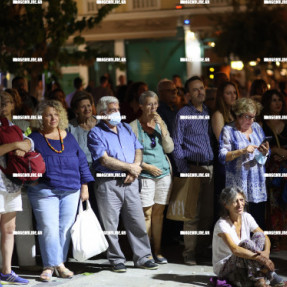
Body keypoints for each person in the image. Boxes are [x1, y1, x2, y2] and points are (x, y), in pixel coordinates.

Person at [87, 96, 158, 272]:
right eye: (112, 110)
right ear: (102, 113)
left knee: (137, 221)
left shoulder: (125, 127)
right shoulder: (96, 133)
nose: (117, 113)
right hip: (108, 182)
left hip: (131, 181)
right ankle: (116, 259)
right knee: (110, 224)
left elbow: (138, 149)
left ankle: (143, 257)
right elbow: (104, 160)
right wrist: (130, 168)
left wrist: (134, 169)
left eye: (118, 109)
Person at [27, 100, 94, 282]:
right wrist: (30, 180)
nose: (53, 118)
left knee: (64, 229)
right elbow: (24, 161)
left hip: (71, 189)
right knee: (49, 228)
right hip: (44, 191)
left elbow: (81, 162)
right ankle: (51, 266)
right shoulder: (33, 138)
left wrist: (85, 185)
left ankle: (58, 264)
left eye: (56, 114)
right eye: (48, 114)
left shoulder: (68, 137)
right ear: (40, 118)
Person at [173, 76, 214, 265]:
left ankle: (201, 249)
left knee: (207, 214)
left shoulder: (208, 112)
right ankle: (189, 253)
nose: (200, 92)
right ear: (188, 94)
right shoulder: (183, 113)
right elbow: (176, 143)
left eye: (202, 88)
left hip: (210, 168)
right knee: (192, 215)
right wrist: (184, 169)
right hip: (193, 167)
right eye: (195, 90)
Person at [130, 91, 174, 264]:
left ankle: (158, 250)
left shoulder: (159, 123)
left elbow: (169, 148)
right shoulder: (133, 126)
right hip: (146, 174)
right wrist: (145, 166)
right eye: (149, 104)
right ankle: (145, 252)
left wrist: (162, 127)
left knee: (159, 214)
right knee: (146, 213)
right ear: (141, 106)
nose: (153, 107)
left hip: (164, 172)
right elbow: (130, 154)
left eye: (155, 104)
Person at [213, 186, 286, 287]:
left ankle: (259, 279)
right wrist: (260, 259)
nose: (240, 204)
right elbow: (235, 249)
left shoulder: (246, 217)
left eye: (241, 200)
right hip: (226, 267)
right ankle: (268, 276)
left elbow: (264, 236)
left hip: (246, 262)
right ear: (226, 205)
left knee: (259, 235)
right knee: (246, 243)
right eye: (235, 201)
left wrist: (266, 253)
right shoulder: (222, 224)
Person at [1, 90, 38, 271]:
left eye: (7, 101)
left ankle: (7, 271)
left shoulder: (15, 126)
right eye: (1, 101)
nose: (3, 105)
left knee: (10, 229)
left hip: (13, 184)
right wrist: (16, 145)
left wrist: (27, 145)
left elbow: (30, 140)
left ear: (13, 105)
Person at [219, 98, 269, 229]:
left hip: (256, 181)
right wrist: (241, 151)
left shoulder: (257, 128)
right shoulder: (228, 130)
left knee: (257, 220)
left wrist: (264, 153)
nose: (251, 121)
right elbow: (222, 156)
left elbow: (261, 159)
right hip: (238, 182)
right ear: (238, 115)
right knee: (239, 221)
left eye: (254, 117)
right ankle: (240, 248)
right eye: (248, 117)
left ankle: (258, 248)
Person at [262, 89, 287, 251]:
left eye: (279, 100)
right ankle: (275, 237)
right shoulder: (262, 124)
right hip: (270, 167)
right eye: (273, 100)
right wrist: (275, 150)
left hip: (286, 166)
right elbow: (259, 145)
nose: (277, 103)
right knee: (273, 202)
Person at [211, 81, 238, 220]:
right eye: (229, 93)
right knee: (224, 202)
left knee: (234, 201)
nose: (233, 96)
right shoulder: (218, 114)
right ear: (222, 96)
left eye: (234, 92)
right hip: (224, 164)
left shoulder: (234, 113)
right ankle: (221, 237)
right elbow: (222, 141)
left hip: (236, 162)